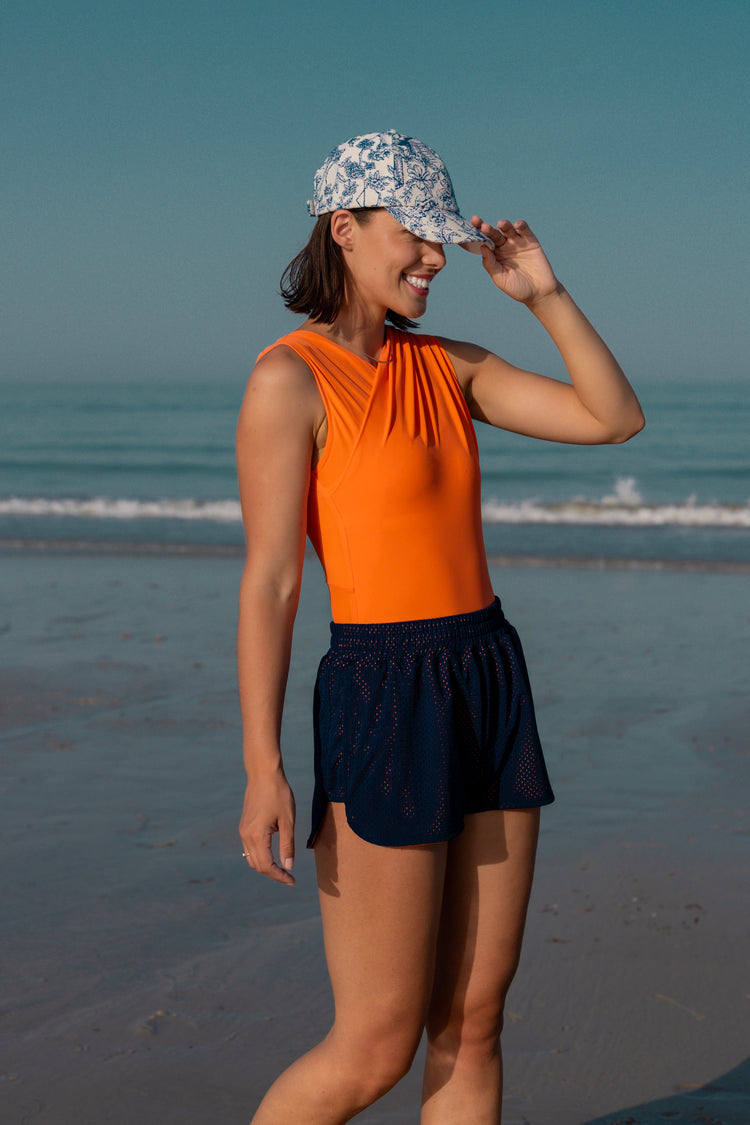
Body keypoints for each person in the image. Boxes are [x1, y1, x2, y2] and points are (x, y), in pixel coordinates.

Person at [236, 130, 644, 1124]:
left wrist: (544, 295)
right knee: (374, 1048)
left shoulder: (451, 369)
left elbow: (611, 420)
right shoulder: (287, 381)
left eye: (440, 236)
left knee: (473, 1018)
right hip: (381, 687)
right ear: (346, 227)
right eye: (414, 232)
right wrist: (263, 764)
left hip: (487, 673)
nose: (433, 256)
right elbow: (275, 582)